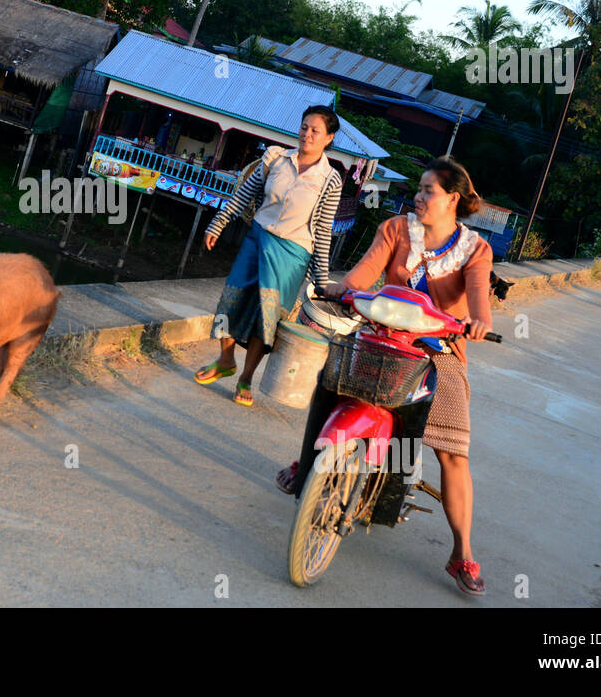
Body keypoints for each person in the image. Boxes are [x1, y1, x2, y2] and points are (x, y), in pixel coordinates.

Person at [276, 157, 494, 596]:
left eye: (428, 190)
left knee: (452, 452)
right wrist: (344, 287)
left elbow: (477, 298)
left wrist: (477, 321)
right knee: (331, 382)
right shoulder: (396, 229)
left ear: (452, 198)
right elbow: (364, 272)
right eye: (418, 188)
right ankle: (312, 464)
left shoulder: (475, 250)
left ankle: (462, 553)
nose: (418, 196)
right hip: (380, 333)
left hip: (438, 350)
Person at [193, 106, 343, 406]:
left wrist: (322, 280)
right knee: (230, 300)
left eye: (315, 130)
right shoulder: (275, 158)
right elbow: (243, 196)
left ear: (329, 138)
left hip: (293, 254)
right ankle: (225, 359)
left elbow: (324, 230)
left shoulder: (331, 179)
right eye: (304, 127)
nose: (307, 134)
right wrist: (218, 223)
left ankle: (246, 377)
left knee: (268, 317)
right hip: (257, 238)